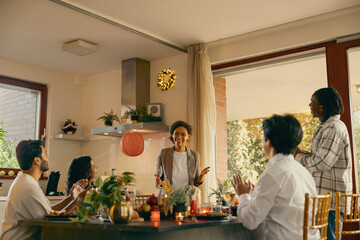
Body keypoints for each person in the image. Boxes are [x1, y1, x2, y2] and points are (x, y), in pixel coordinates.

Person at [231, 114, 318, 239]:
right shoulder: (304, 173)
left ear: (269, 143)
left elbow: (250, 220)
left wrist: (243, 195)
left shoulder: (272, 173)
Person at [1, 140, 90, 240]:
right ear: (37, 160)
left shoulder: (26, 180)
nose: (49, 157)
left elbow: (50, 212)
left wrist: (71, 198)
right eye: (46, 154)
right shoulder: (28, 186)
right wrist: (78, 201)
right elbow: (52, 221)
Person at [294, 87, 353, 240]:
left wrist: (298, 157)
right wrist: (300, 153)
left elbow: (322, 163)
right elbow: (319, 156)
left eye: (311, 102)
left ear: (321, 106)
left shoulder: (333, 128)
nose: (309, 106)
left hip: (330, 201)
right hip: (325, 200)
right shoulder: (327, 127)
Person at [155, 121, 210, 192]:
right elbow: (159, 178)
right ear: (172, 135)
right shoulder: (164, 153)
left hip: (188, 197)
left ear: (188, 136)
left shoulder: (194, 155)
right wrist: (158, 183)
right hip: (169, 197)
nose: (179, 137)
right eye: (176, 134)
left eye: (183, 134)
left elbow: (197, 183)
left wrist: (202, 175)